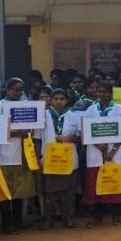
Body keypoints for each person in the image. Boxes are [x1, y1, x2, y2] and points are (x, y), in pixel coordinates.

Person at [0, 77, 38, 234]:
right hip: (3, 155)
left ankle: (18, 221)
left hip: (22, 154)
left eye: (20, 90)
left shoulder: (26, 106)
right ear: (7, 89)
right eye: (15, 89)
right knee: (6, 192)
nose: (18, 92)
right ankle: (7, 224)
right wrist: (17, 133)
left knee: (20, 191)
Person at [83, 82, 121, 226]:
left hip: (116, 153)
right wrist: (99, 146)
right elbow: (85, 131)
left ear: (111, 93)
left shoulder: (119, 109)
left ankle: (116, 216)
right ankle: (97, 217)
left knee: (114, 183)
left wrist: (112, 151)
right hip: (95, 153)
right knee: (96, 185)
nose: (101, 94)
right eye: (99, 91)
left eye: (105, 91)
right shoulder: (91, 109)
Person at [41, 88, 79, 229]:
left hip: (68, 159)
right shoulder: (43, 116)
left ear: (66, 101)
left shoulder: (73, 116)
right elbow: (37, 138)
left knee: (69, 191)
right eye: (56, 99)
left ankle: (69, 218)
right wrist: (39, 157)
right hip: (49, 158)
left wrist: (69, 138)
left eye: (62, 99)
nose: (58, 101)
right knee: (49, 190)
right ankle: (48, 219)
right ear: (51, 100)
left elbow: (81, 137)